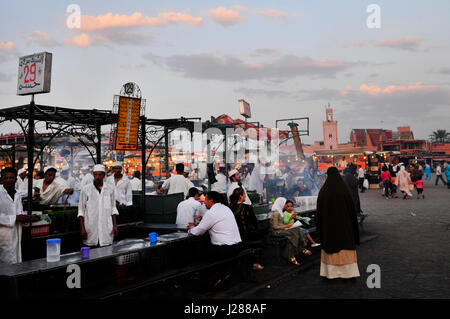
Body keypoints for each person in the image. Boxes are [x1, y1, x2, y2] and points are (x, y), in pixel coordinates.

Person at [188, 191, 242, 287]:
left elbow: (198, 231)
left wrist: (191, 228)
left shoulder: (212, 212)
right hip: (237, 246)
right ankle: (223, 275)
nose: (204, 203)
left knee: (198, 253)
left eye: (206, 200)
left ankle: (207, 279)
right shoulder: (226, 208)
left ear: (211, 200)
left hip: (226, 249)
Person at [317, 166, 360, 279]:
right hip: (345, 227)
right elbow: (352, 209)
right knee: (345, 248)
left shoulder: (323, 192)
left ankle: (331, 273)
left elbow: (319, 212)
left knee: (331, 248)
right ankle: (349, 273)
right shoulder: (345, 191)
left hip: (329, 228)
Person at [78, 164, 119, 247]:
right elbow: (81, 210)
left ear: (104, 175)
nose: (97, 177)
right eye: (95, 174)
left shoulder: (110, 189)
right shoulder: (86, 189)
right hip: (90, 227)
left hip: (106, 227)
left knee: (106, 250)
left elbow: (113, 208)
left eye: (100, 174)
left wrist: (115, 226)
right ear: (93, 175)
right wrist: (82, 228)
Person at [229, 187, 264, 270]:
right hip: (247, 234)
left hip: (234, 235)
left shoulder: (230, 207)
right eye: (244, 195)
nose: (245, 196)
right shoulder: (247, 207)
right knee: (260, 239)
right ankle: (255, 263)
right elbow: (254, 222)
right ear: (241, 196)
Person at [0, 167, 30, 264]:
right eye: (6, 178)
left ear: (15, 180)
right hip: (3, 235)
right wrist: (15, 218)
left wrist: (24, 218)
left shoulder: (17, 195)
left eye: (11, 178)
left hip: (16, 233)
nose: (8, 180)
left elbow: (19, 212)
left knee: (15, 262)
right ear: (2, 180)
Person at [270, 197, 311, 266]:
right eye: (285, 204)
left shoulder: (279, 211)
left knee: (295, 231)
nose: (285, 206)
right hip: (277, 232)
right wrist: (287, 226)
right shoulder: (276, 213)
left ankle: (293, 254)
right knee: (293, 234)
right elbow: (275, 227)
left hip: (282, 230)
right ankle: (300, 249)